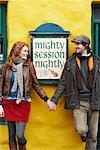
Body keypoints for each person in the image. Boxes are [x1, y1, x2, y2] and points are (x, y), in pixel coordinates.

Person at [48, 35, 100, 150]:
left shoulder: (97, 61)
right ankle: (84, 134)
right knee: (81, 129)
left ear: (86, 45)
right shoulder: (70, 62)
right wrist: (54, 100)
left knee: (93, 135)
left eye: (78, 44)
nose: (75, 46)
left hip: (94, 101)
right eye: (75, 44)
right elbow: (63, 82)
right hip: (78, 102)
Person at [0, 41, 51, 150]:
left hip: (23, 102)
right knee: (11, 135)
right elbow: (1, 86)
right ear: (17, 51)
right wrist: (0, 105)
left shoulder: (29, 66)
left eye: (27, 51)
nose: (27, 53)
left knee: (20, 135)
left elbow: (36, 85)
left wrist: (46, 99)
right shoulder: (6, 66)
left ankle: (23, 146)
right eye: (25, 51)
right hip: (8, 102)